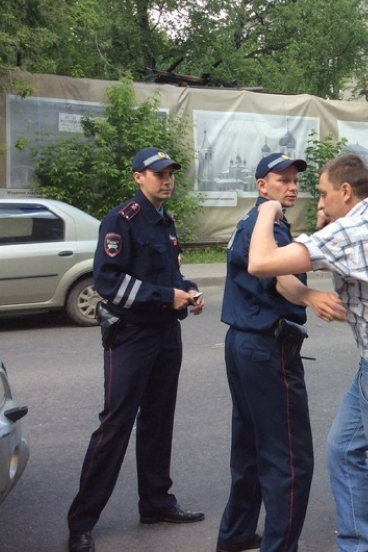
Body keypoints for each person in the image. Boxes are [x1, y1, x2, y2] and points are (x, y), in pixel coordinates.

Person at [247, 153, 368, 552]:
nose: (318, 201)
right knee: (342, 450)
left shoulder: (346, 236)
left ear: (345, 190)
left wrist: (267, 211)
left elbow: (259, 262)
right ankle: (356, 545)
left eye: (322, 193)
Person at [67, 148, 205, 552]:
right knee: (115, 426)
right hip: (131, 335)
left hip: (165, 334)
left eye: (171, 173)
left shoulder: (165, 220)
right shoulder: (121, 220)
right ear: (137, 178)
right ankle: (81, 523)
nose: (167, 179)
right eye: (158, 173)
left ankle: (156, 502)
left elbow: (171, 272)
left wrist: (189, 289)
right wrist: (168, 295)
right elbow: (108, 283)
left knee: (158, 421)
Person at [218, 153, 346, 552]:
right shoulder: (262, 224)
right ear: (262, 186)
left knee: (250, 446)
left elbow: (277, 275)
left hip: (246, 344)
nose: (291, 186)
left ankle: (236, 535)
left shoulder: (265, 224)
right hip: (265, 349)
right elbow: (277, 277)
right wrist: (309, 295)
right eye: (281, 180)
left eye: (294, 180)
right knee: (291, 461)